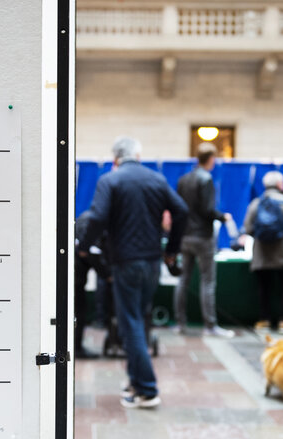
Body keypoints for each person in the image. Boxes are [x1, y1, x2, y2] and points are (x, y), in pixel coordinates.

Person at [79, 136, 188, 409]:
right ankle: (136, 381)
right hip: (152, 263)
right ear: (138, 156)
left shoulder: (110, 181)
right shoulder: (156, 179)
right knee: (138, 320)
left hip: (125, 262)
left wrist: (84, 246)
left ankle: (148, 389)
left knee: (131, 325)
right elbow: (182, 211)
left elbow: (98, 217)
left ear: (115, 159)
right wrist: (171, 249)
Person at [174, 142, 234, 338]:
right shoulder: (206, 179)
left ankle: (180, 323)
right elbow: (207, 210)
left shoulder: (184, 179)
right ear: (211, 159)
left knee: (183, 280)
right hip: (202, 237)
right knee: (208, 282)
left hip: (185, 236)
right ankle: (210, 326)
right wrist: (223, 216)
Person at [243, 171, 283, 333]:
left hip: (262, 254)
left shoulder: (256, 203)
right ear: (280, 185)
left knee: (264, 288)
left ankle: (264, 321)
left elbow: (248, 228)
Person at [74, 211, 110, 359]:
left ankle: (75, 346)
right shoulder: (95, 222)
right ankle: (76, 348)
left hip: (73, 275)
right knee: (78, 312)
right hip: (76, 277)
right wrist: (107, 275)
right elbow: (91, 253)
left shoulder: (84, 217)